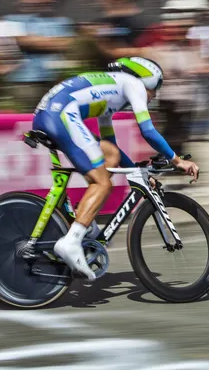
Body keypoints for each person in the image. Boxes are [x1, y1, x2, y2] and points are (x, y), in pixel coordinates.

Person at [31, 57, 199, 280]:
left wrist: (136, 172)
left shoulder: (111, 92)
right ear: (146, 79)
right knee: (103, 183)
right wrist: (177, 160)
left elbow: (113, 149)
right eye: (156, 88)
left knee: (109, 154)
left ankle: (83, 221)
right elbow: (147, 131)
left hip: (48, 114)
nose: (155, 95)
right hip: (62, 114)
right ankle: (71, 242)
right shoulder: (134, 85)